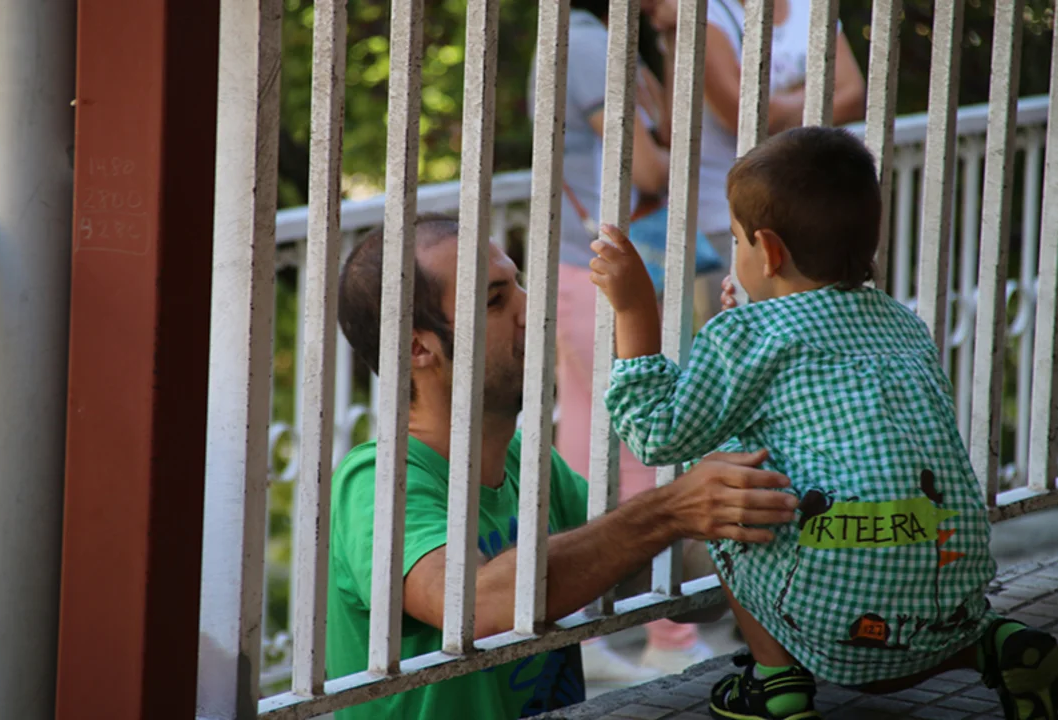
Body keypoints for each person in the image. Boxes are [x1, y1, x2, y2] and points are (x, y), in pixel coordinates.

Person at [589, 128, 1058, 720]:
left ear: (768, 252)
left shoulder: (747, 335)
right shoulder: (900, 322)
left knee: (724, 491)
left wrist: (635, 311)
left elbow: (658, 433)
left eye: (736, 240)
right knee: (903, 631)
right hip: (949, 583)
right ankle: (993, 643)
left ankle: (776, 681)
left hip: (830, 604)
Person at [326, 214, 801, 719]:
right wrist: (668, 510)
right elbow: (473, 607)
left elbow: (685, 584)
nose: (532, 308)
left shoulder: (531, 464)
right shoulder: (377, 480)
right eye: (495, 301)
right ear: (418, 347)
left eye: (518, 284)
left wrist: (766, 486)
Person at [528, 0, 722, 680]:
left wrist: (668, 41)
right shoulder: (586, 46)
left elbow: (661, 128)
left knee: (585, 450)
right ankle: (667, 633)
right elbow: (647, 171)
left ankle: (584, 632)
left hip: (594, 269)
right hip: (607, 272)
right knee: (641, 447)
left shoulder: (606, 43)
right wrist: (678, 155)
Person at [664, 0, 868, 323]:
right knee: (743, 320)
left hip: (808, 205)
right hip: (729, 213)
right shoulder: (703, 11)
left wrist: (779, 106)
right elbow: (746, 115)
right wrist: (814, 91)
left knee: (807, 322)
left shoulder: (810, 6)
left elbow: (854, 95)